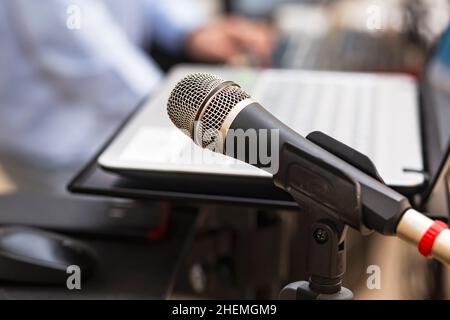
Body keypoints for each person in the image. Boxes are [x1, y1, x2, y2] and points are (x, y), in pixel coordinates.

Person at [0, 0, 276, 193]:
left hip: (113, 117)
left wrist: (194, 30)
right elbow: (85, 55)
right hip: (55, 140)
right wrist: (183, 105)